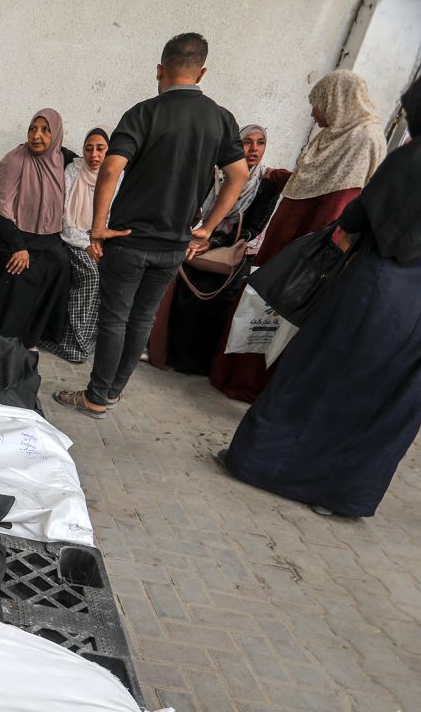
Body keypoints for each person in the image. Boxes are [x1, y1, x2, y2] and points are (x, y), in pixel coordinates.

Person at [219, 77, 421, 518]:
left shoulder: (408, 160)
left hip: (374, 291)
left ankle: (264, 466)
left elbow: (354, 217)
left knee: (317, 377)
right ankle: (344, 496)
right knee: (386, 403)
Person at [54, 32, 248, 418]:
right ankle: (112, 393)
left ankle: (95, 396)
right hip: (175, 244)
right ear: (202, 71)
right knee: (143, 317)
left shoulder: (144, 113)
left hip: (129, 239)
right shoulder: (221, 119)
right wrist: (207, 228)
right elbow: (238, 175)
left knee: (114, 318)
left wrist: (97, 227)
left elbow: (111, 166)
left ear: (160, 69)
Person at [210, 70, 385, 401]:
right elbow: (310, 181)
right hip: (284, 238)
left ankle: (255, 384)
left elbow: (342, 201)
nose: (312, 112)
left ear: (335, 100)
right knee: (259, 302)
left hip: (309, 248)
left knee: (284, 311)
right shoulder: (330, 135)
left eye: (316, 104)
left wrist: (313, 250)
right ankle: (233, 374)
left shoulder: (363, 139)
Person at [148, 125, 281, 374]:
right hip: (201, 240)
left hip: (230, 254)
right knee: (175, 277)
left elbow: (252, 226)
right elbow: (195, 207)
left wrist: (213, 241)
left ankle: (195, 364)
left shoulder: (265, 184)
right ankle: (167, 352)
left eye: (260, 142)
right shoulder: (219, 175)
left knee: (215, 304)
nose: (254, 149)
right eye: (246, 142)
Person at [0, 108, 72, 350]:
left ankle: (42, 333)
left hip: (46, 235)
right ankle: (8, 332)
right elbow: (0, 208)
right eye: (33, 128)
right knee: (22, 265)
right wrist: (18, 246)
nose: (36, 135)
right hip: (8, 232)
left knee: (60, 261)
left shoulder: (63, 160)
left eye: (45, 130)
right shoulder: (14, 159)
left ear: (57, 135)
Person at [39, 127, 110, 362]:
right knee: (91, 274)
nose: (94, 155)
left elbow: (117, 216)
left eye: (100, 149)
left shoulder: (115, 176)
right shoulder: (73, 171)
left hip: (105, 241)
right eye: (89, 149)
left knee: (114, 272)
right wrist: (87, 244)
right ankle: (77, 342)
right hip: (73, 239)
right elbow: (64, 218)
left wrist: (101, 242)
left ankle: (90, 340)